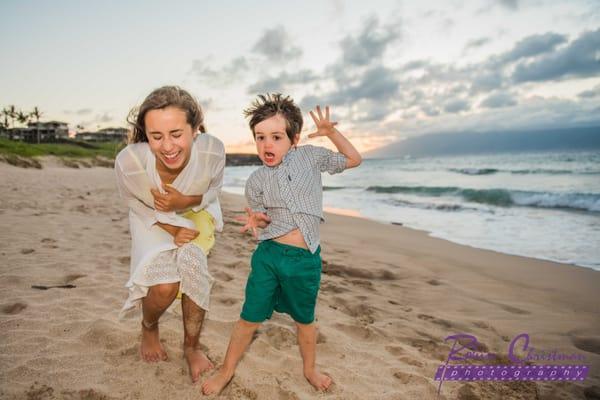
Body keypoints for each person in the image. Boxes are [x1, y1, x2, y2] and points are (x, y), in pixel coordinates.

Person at [202, 93, 361, 395]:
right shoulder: (256, 180)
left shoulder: (311, 157)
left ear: (294, 138)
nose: (267, 145)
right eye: (260, 137)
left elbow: (354, 159)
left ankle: (309, 369)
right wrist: (257, 222)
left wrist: (331, 133)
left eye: (276, 137)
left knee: (305, 320)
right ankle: (226, 370)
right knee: (249, 318)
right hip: (269, 256)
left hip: (304, 260)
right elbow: (262, 219)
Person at [114, 86, 225, 383]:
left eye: (176, 134)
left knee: (193, 267)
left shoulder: (212, 150)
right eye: (156, 136)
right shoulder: (130, 162)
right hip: (150, 217)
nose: (167, 146)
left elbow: (213, 190)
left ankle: (191, 347)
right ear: (145, 134)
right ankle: (149, 326)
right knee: (164, 287)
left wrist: (184, 203)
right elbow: (133, 203)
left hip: (195, 210)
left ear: (195, 129)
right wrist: (172, 226)